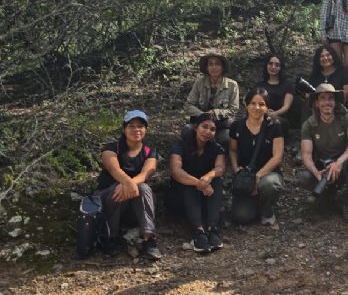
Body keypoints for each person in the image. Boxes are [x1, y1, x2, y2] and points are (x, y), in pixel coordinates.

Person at [96, 110, 161, 260]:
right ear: (124, 129)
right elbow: (114, 169)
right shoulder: (111, 148)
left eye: (140, 126)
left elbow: (146, 173)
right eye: (131, 126)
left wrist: (129, 184)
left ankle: (149, 239)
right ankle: (110, 236)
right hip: (110, 201)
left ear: (146, 129)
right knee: (117, 188)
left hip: (136, 204)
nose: (136, 130)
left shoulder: (150, 152)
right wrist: (125, 182)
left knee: (143, 187)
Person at [297, 84, 348, 223]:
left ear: (335, 102)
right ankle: (327, 195)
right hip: (323, 168)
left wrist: (339, 163)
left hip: (343, 165)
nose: (327, 102)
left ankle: (347, 201)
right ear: (316, 103)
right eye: (322, 98)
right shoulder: (309, 124)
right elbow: (306, 155)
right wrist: (316, 172)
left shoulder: (346, 118)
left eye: (330, 98)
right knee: (304, 178)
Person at [169, 113, 225, 253]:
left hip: (205, 197)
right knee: (188, 183)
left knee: (217, 180)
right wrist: (199, 183)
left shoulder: (216, 148)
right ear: (195, 127)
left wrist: (208, 176)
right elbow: (176, 171)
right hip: (181, 196)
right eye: (204, 127)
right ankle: (198, 232)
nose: (208, 131)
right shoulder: (180, 145)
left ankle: (213, 229)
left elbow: (220, 168)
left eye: (212, 129)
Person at [229, 88, 284, 225]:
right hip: (246, 175)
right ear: (247, 105)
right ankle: (253, 202)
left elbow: (277, 157)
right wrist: (236, 168)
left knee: (270, 184)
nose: (257, 107)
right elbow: (232, 150)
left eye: (261, 104)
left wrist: (258, 177)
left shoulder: (274, 127)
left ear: (267, 107)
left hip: (267, 174)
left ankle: (266, 209)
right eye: (253, 103)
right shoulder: (237, 126)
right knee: (241, 216)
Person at [185, 52, 240, 150]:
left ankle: (221, 155)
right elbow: (189, 105)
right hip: (201, 123)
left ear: (222, 67)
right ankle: (194, 153)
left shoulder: (232, 85)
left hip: (221, 124)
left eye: (217, 64)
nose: (214, 67)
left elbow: (234, 109)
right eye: (210, 64)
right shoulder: (199, 83)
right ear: (207, 68)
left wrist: (215, 112)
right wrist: (203, 115)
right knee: (187, 131)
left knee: (226, 137)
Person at [262, 53, 295, 133]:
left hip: (280, 118)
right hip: (262, 115)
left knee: (273, 122)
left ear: (281, 68)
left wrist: (274, 114)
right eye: (270, 64)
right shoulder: (260, 85)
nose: (273, 67)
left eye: (277, 65)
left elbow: (286, 107)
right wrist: (265, 112)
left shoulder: (287, 85)